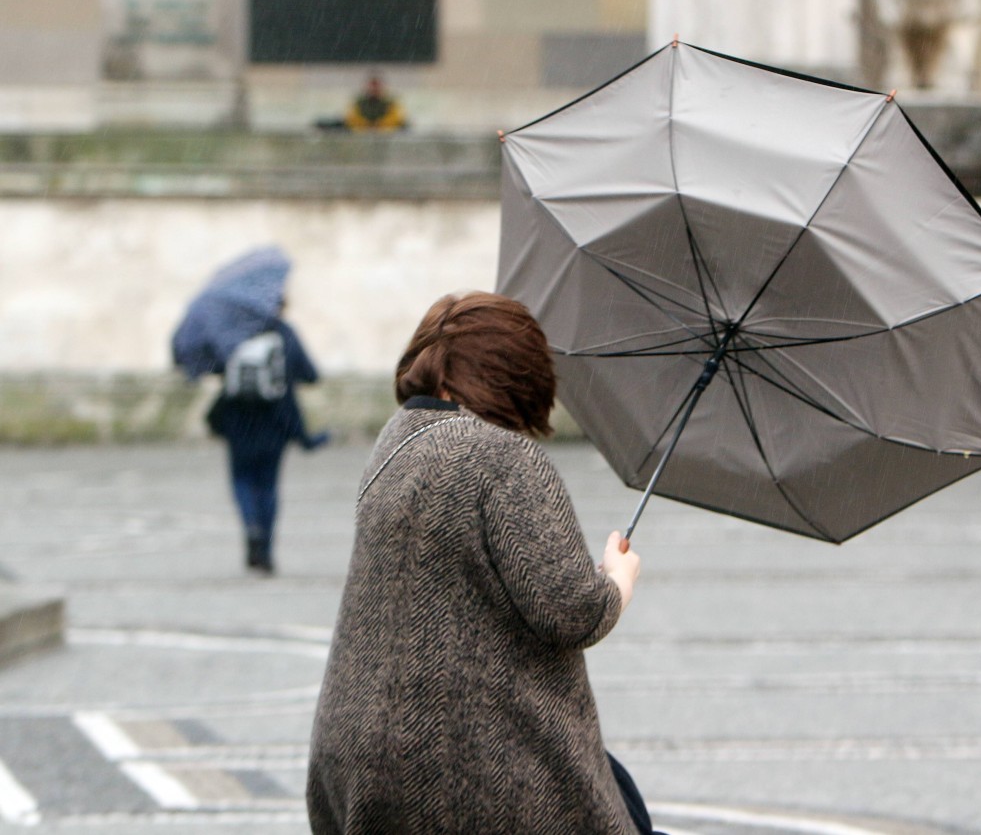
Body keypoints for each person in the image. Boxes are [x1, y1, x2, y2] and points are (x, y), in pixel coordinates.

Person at [306, 292, 652, 834]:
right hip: (467, 763)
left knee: (617, 784)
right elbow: (571, 610)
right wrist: (617, 580)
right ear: (515, 377)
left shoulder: (395, 442)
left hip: (357, 755)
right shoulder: (500, 457)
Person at [205, 303, 329, 575]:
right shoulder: (285, 334)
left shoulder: (232, 334)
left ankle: (251, 527)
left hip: (238, 423)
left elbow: (213, 367)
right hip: (275, 422)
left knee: (242, 480)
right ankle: (267, 552)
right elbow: (310, 374)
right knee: (269, 485)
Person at [343, 74, 408, 132]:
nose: (374, 89)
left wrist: (379, 127)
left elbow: (396, 119)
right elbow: (352, 119)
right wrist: (367, 127)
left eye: (377, 86)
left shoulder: (391, 104)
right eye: (372, 85)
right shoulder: (358, 103)